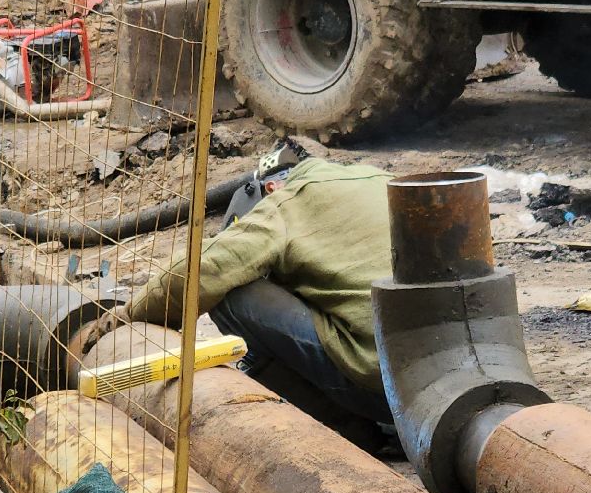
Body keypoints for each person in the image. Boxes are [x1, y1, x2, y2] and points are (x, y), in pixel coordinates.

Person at [87, 141, 397, 440]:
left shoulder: (286, 202)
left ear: (271, 187)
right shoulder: (380, 178)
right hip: (422, 386)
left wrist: (124, 317)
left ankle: (348, 430)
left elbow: (200, 268)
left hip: (382, 389)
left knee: (230, 291)